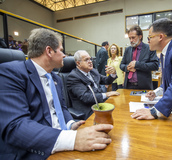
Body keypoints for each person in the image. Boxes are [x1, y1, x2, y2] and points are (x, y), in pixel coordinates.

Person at [0, 28, 113, 159]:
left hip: (62, 138)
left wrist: (70, 124)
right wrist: (72, 139)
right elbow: (16, 127)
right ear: (49, 51)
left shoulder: (56, 79)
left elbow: (62, 108)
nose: (64, 55)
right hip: (34, 150)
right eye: (61, 50)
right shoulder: (11, 74)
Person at [67, 50, 120, 120]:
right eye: (86, 60)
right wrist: (106, 94)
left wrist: (113, 73)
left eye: (90, 59)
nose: (90, 61)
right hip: (88, 108)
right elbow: (85, 97)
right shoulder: (73, 77)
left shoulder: (92, 71)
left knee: (119, 108)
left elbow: (106, 80)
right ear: (78, 63)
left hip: (99, 103)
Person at [120, 25, 159, 90]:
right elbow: (121, 65)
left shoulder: (149, 48)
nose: (131, 40)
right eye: (130, 38)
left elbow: (155, 65)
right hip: (128, 86)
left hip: (144, 86)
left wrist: (137, 65)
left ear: (140, 36)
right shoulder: (128, 50)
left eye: (133, 37)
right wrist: (127, 68)